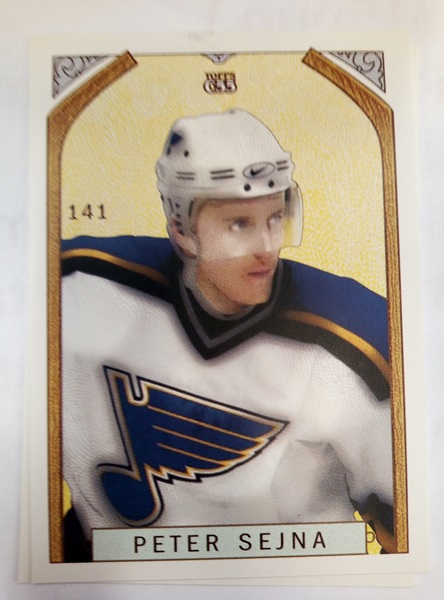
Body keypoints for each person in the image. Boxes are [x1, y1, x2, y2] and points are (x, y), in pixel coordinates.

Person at [61, 109, 394, 561]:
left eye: (276, 218)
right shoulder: (73, 286)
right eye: (239, 224)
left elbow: (417, 539)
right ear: (182, 230)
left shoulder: (361, 336)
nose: (267, 246)